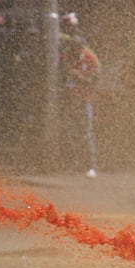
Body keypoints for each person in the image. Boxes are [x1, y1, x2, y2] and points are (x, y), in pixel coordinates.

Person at [59, 12, 101, 177]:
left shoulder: (89, 57)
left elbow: (96, 76)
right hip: (71, 99)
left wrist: (81, 78)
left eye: (77, 43)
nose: (75, 46)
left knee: (86, 132)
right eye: (72, 43)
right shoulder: (68, 56)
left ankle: (91, 165)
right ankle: (74, 162)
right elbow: (64, 75)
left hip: (85, 99)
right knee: (70, 131)